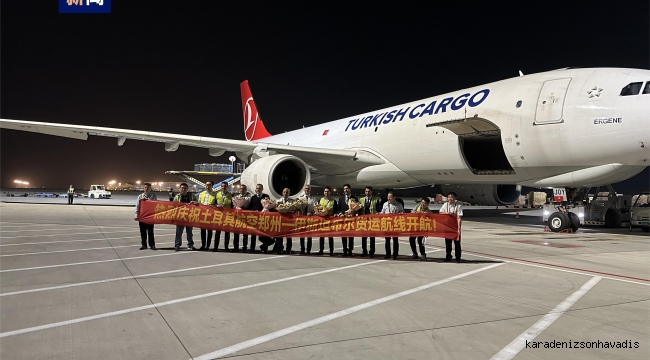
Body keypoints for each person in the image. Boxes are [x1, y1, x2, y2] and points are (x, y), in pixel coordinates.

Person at [439, 191, 463, 263]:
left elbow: (459, 218)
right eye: (449, 197)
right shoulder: (445, 205)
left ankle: (458, 257)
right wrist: (447, 213)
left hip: (455, 227)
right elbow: (440, 212)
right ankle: (448, 256)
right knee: (448, 242)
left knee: (457, 243)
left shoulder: (458, 206)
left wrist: (459, 229)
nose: (450, 199)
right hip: (447, 226)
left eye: (452, 197)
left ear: (455, 198)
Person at [174, 183, 197, 251]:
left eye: (185, 188)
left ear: (187, 189)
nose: (183, 189)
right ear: (180, 189)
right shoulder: (177, 197)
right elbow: (173, 207)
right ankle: (177, 245)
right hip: (180, 217)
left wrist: (195, 202)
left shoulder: (192, 196)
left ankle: (190, 245)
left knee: (189, 232)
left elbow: (197, 203)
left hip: (189, 217)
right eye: (182, 188)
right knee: (178, 232)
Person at [134, 182, 158, 250]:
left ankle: (152, 245)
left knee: (150, 231)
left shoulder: (153, 196)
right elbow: (137, 206)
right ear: (143, 188)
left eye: (148, 187)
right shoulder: (140, 196)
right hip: (142, 216)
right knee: (143, 231)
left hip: (150, 216)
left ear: (150, 189)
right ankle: (144, 245)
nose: (146, 189)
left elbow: (155, 204)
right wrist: (136, 215)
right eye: (145, 187)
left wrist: (147, 201)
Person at [381, 191, 404, 259]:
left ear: (394, 197)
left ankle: (395, 254)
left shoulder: (398, 205)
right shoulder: (385, 204)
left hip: (395, 224)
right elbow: (382, 212)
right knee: (387, 240)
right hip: (387, 224)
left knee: (395, 239)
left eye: (390, 197)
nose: (389, 199)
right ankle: (387, 253)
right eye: (388, 197)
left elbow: (402, 212)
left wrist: (401, 214)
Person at [359, 186, 381, 257]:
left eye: (369, 191)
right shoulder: (361, 200)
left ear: (371, 192)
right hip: (364, 221)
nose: (367, 193)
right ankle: (364, 251)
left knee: (372, 238)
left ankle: (372, 252)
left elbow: (378, 210)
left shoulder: (376, 200)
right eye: (366, 191)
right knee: (364, 238)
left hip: (372, 221)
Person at [248, 184, 269, 253]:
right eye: (257, 188)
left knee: (264, 234)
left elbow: (269, 206)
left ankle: (265, 248)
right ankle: (252, 248)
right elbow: (250, 208)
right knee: (253, 235)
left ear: (262, 189)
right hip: (255, 218)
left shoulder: (266, 197)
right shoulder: (253, 197)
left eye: (259, 188)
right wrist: (254, 211)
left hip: (263, 218)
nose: (258, 190)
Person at [338, 184, 358, 256]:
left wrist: (353, 212)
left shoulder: (354, 198)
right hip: (343, 220)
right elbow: (338, 209)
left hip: (351, 220)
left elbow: (358, 209)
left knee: (351, 236)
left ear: (350, 189)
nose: (345, 190)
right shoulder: (341, 199)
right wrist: (340, 214)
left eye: (347, 189)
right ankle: (345, 251)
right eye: (344, 189)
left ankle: (350, 251)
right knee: (343, 235)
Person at [318, 186, 337, 256]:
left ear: (330, 192)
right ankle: (321, 250)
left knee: (330, 236)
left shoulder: (333, 201)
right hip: (322, 220)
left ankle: (331, 251)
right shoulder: (321, 200)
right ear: (324, 192)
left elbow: (335, 211)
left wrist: (335, 215)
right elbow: (318, 209)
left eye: (328, 191)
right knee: (321, 236)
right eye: (325, 191)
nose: (326, 193)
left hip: (330, 220)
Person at [214, 181, 233, 252]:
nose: (223, 187)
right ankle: (216, 247)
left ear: (227, 187)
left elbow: (233, 206)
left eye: (225, 186)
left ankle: (226, 247)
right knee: (217, 233)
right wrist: (217, 205)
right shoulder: (217, 194)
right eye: (222, 186)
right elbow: (214, 204)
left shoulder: (231, 195)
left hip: (227, 216)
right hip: (218, 216)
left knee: (227, 233)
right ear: (221, 187)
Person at [197, 181, 217, 251]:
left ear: (212, 186)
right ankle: (203, 245)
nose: (208, 186)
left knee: (209, 231)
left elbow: (217, 204)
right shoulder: (201, 194)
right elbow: (199, 203)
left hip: (211, 215)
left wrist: (213, 206)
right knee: (202, 231)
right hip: (203, 214)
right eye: (207, 185)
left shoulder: (215, 194)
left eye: (209, 185)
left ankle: (208, 245)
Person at [299, 184, 317, 254]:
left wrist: (311, 213)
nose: (307, 190)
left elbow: (316, 208)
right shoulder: (301, 198)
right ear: (304, 189)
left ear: (310, 190)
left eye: (308, 189)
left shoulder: (313, 198)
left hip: (310, 219)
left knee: (309, 235)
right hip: (302, 219)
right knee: (302, 235)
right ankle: (302, 249)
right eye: (306, 189)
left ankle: (308, 250)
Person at [233, 184, 251, 252]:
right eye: (241, 189)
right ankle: (235, 247)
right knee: (236, 233)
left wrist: (244, 208)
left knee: (245, 234)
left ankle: (244, 247)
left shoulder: (249, 198)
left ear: (246, 190)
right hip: (237, 217)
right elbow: (233, 206)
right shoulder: (236, 197)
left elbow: (250, 206)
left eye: (243, 189)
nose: (242, 190)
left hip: (245, 217)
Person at [275, 187, 294, 254]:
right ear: (282, 193)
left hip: (289, 220)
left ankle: (288, 249)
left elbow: (294, 210)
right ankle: (279, 248)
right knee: (280, 236)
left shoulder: (292, 201)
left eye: (287, 192)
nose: (285, 193)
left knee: (289, 236)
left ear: (289, 193)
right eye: (284, 192)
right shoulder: (278, 201)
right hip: (281, 220)